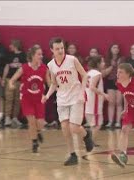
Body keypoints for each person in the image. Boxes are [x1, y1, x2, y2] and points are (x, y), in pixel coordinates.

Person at [42, 37, 94, 166]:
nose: (60, 51)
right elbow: (54, 83)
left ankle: (87, 135)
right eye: (57, 49)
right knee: (65, 128)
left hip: (76, 96)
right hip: (62, 98)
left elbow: (85, 75)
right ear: (51, 50)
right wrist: (47, 95)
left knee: (74, 127)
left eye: (62, 48)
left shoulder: (72, 59)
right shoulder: (51, 65)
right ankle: (72, 155)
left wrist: (82, 93)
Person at [9, 44, 50, 153]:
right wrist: (11, 85)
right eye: (39, 54)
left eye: (42, 54)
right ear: (32, 55)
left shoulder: (44, 68)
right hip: (27, 99)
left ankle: (38, 132)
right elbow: (12, 80)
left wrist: (56, 89)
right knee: (31, 121)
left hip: (39, 99)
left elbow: (50, 83)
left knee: (40, 122)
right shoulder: (24, 67)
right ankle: (34, 142)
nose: (41, 56)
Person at [85, 55, 109, 145]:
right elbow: (92, 87)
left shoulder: (88, 73)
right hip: (94, 103)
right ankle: (90, 142)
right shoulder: (97, 74)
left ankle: (91, 141)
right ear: (98, 64)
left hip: (88, 102)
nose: (104, 63)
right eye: (102, 62)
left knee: (93, 124)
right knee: (98, 124)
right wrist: (104, 94)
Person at [2, 39, 26, 127]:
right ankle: (7, 117)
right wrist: (3, 79)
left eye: (11, 45)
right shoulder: (9, 55)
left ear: (15, 45)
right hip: (9, 79)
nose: (9, 46)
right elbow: (6, 67)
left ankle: (15, 118)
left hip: (20, 81)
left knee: (17, 100)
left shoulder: (23, 55)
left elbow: (25, 69)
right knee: (9, 99)